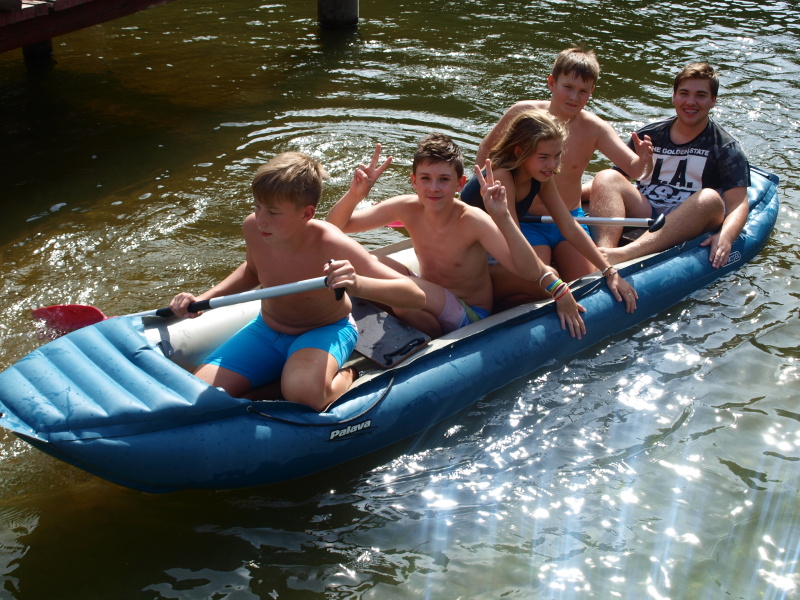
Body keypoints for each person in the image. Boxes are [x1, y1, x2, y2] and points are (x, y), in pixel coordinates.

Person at [169, 152, 428, 412]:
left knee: (305, 395)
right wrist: (203, 299)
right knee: (200, 394)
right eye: (257, 206)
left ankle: (349, 375)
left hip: (325, 330)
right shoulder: (254, 228)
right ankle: (279, 382)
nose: (261, 219)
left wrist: (357, 283)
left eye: (273, 212)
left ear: (307, 213)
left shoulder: (330, 242)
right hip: (267, 329)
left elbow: (415, 296)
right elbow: (252, 271)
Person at [326, 134, 588, 339]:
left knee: (403, 300)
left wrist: (503, 216)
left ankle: (427, 340)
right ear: (414, 181)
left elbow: (527, 269)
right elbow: (335, 228)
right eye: (426, 178)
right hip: (429, 293)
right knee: (365, 260)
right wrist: (355, 195)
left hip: (468, 314)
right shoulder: (406, 207)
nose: (433, 188)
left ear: (460, 184)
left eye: (443, 179)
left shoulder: (472, 220)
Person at [462, 108, 638, 312]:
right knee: (549, 276)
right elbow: (512, 241)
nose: (552, 165)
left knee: (548, 278)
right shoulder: (502, 176)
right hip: (471, 261)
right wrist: (557, 288)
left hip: (496, 257)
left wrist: (609, 270)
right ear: (519, 152)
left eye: (557, 155)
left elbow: (568, 225)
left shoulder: (541, 176)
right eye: (543, 157)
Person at [588, 62, 750, 269]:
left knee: (708, 198)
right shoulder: (650, 135)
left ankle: (626, 254)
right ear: (674, 97)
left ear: (713, 101)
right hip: (648, 209)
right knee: (606, 176)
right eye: (684, 93)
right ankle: (603, 255)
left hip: (692, 215)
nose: (690, 102)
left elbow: (738, 204)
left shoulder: (726, 147)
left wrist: (726, 236)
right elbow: (618, 178)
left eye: (700, 95)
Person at [476, 47, 654, 209]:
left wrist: (644, 160)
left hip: (568, 216)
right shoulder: (522, 112)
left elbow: (635, 170)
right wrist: (481, 189)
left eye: (583, 91)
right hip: (521, 214)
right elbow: (487, 147)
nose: (574, 97)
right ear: (552, 83)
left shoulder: (595, 129)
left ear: (591, 91)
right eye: (568, 87)